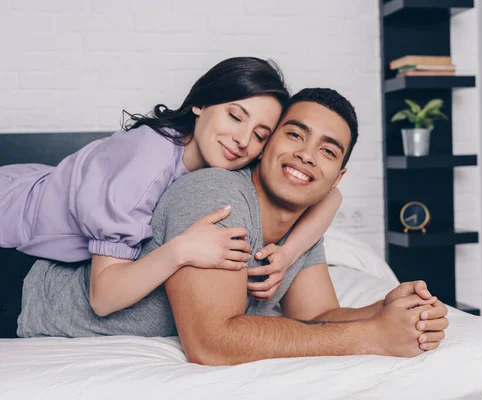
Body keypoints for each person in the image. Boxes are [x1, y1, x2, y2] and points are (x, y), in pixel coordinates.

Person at [17, 88, 449, 364]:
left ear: (336, 177)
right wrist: (372, 338)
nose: (305, 155)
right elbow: (212, 343)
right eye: (295, 135)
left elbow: (317, 316)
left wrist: (388, 311)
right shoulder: (215, 194)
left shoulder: (301, 226)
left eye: (328, 150)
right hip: (20, 288)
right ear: (265, 146)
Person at [0, 58, 342, 338]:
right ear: (201, 104)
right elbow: (102, 298)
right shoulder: (146, 162)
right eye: (235, 115)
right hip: (10, 235)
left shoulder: (220, 161)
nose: (241, 139)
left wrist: (288, 252)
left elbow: (331, 197)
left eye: (259, 134)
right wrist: (181, 249)